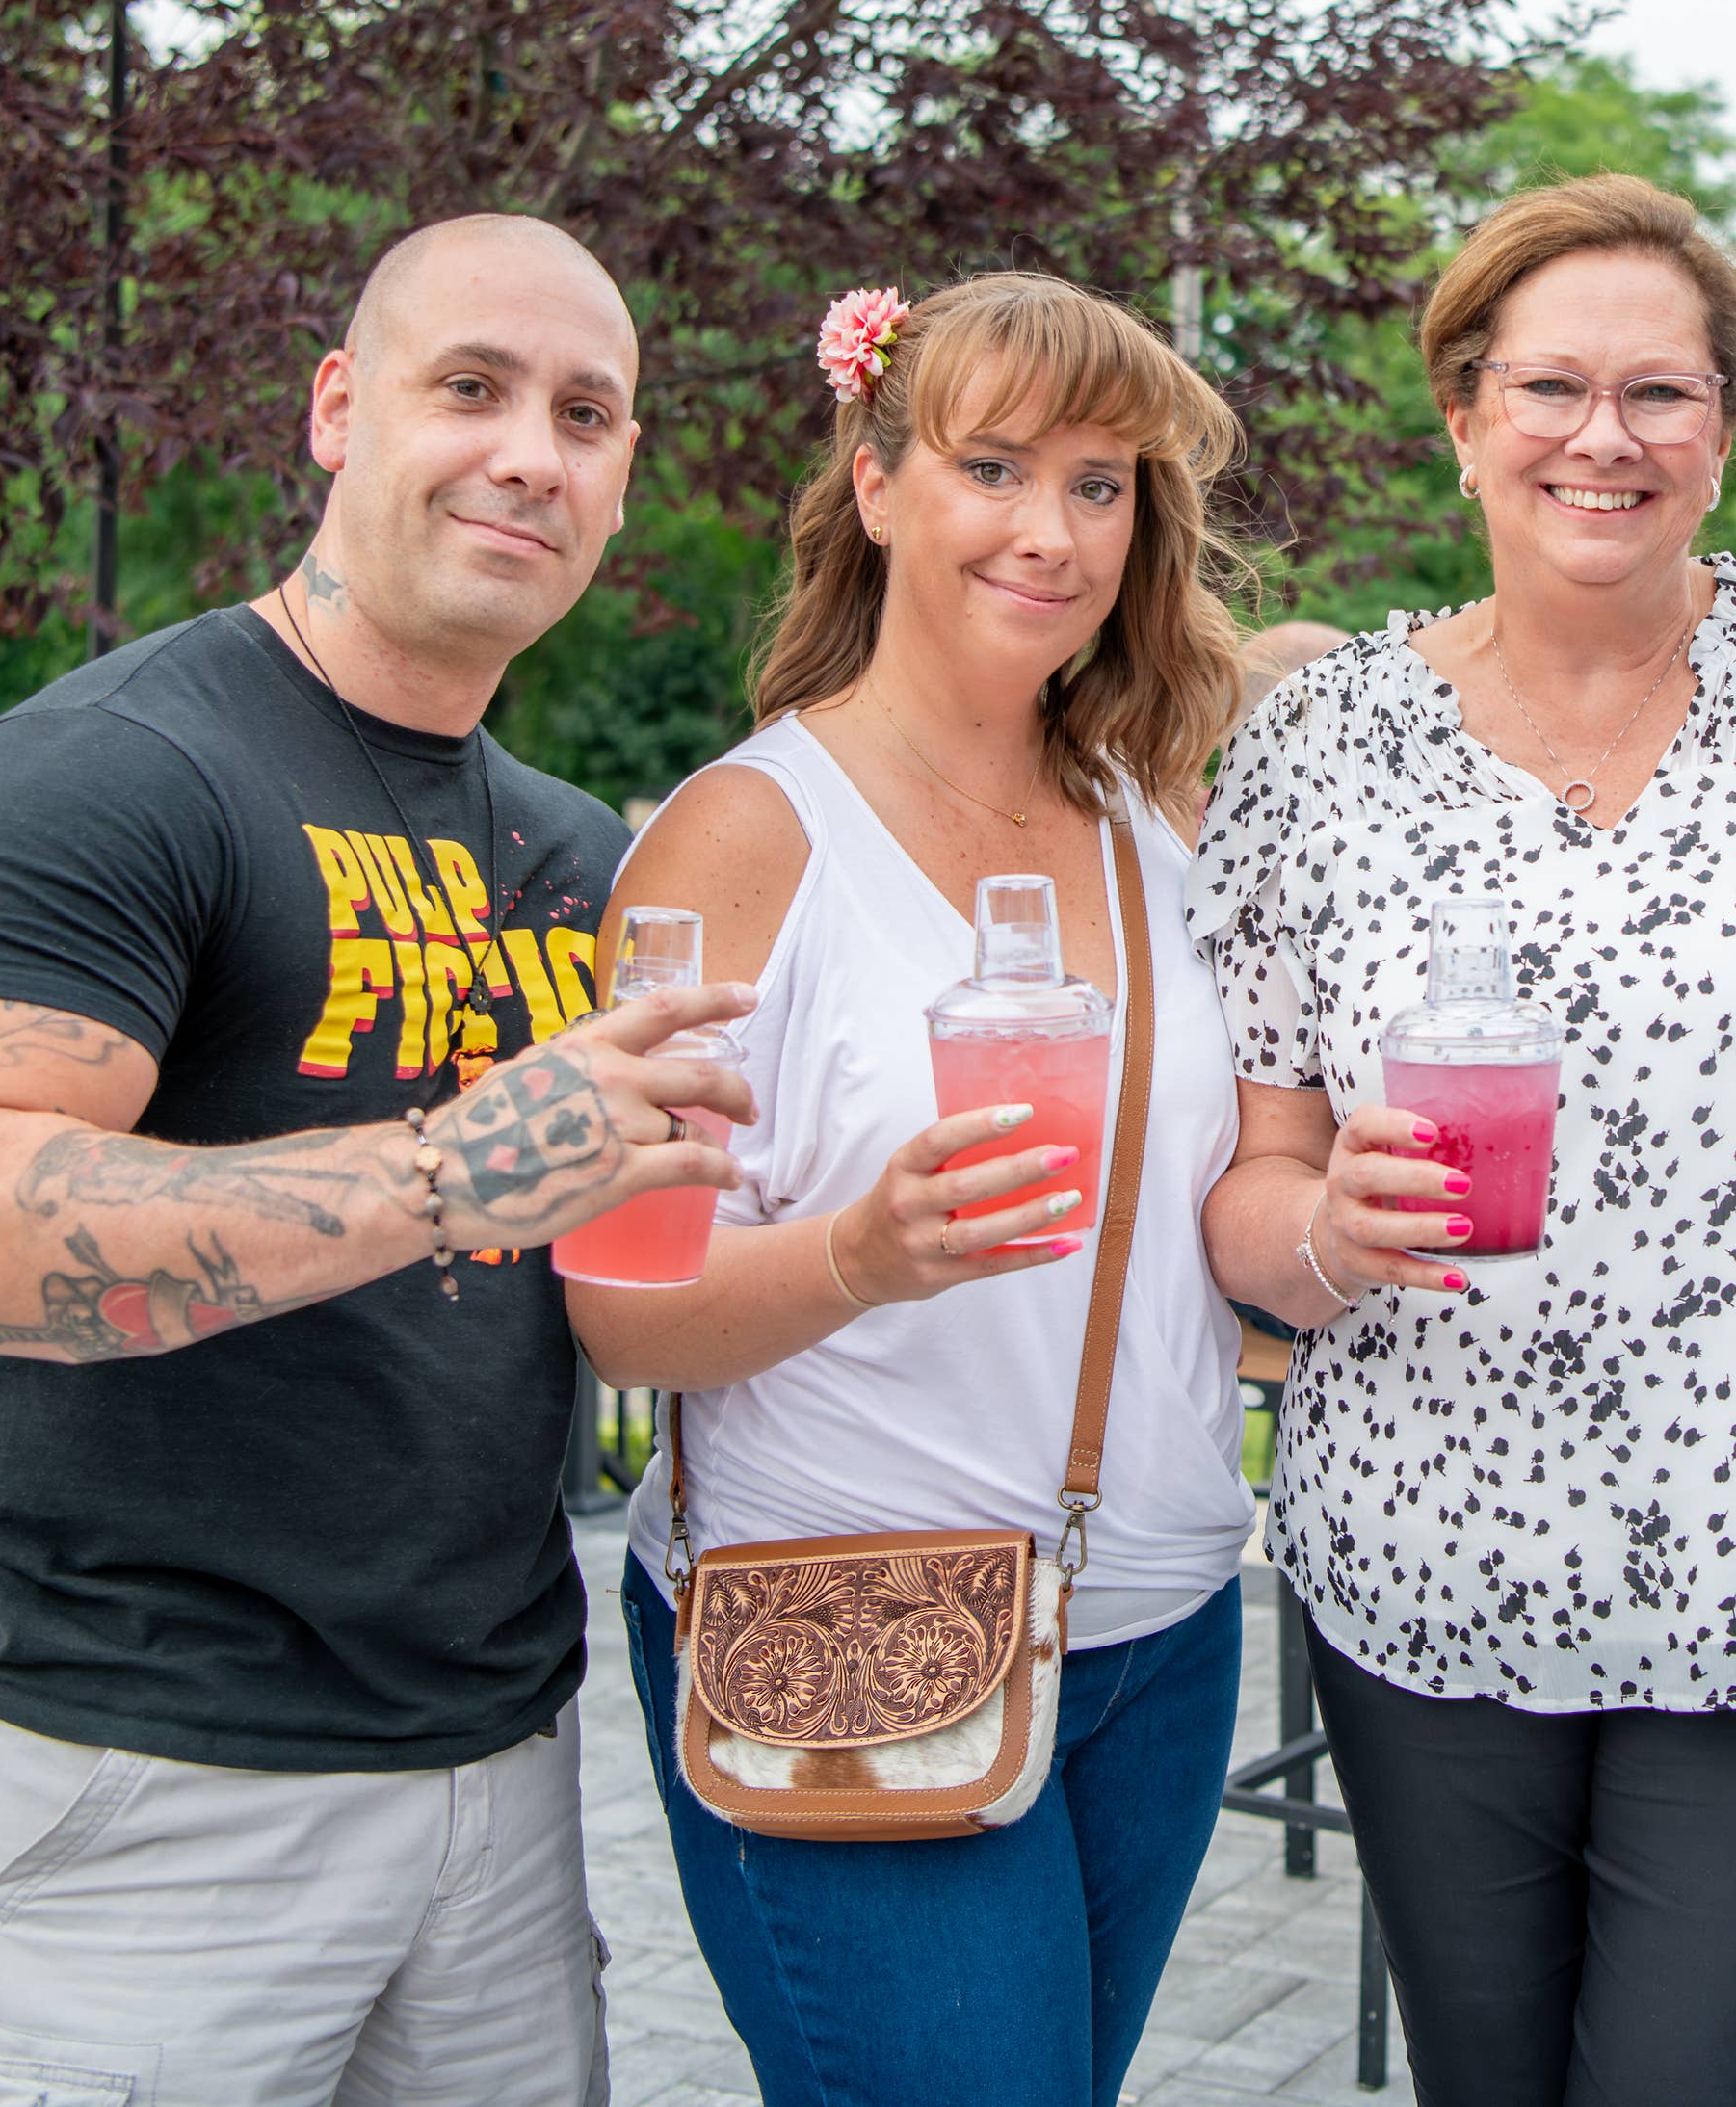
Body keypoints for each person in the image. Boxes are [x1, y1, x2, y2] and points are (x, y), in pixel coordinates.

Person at [0, 213, 752, 2102]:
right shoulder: (107, 768)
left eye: (587, 415)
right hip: (142, 1785)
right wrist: (445, 1172)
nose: (531, 451)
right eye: (471, 387)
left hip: (496, 1760)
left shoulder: (574, 846)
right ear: (339, 408)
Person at [1193, 176, 1736, 2105]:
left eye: (1663, 389)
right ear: (1465, 418)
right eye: (1549, 385)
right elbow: (1249, 1185)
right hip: (1425, 1564)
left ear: (1729, 425)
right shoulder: (1319, 746)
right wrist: (1326, 1233)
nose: (1605, 436)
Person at [575, 274, 1258, 2107]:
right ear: (877, 482)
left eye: (1104, 484)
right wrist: (862, 1255)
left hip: (1164, 1623)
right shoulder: (738, 834)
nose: (1053, 530)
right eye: (994, 465)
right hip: (848, 1622)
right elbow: (618, 1303)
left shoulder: (1156, 817)